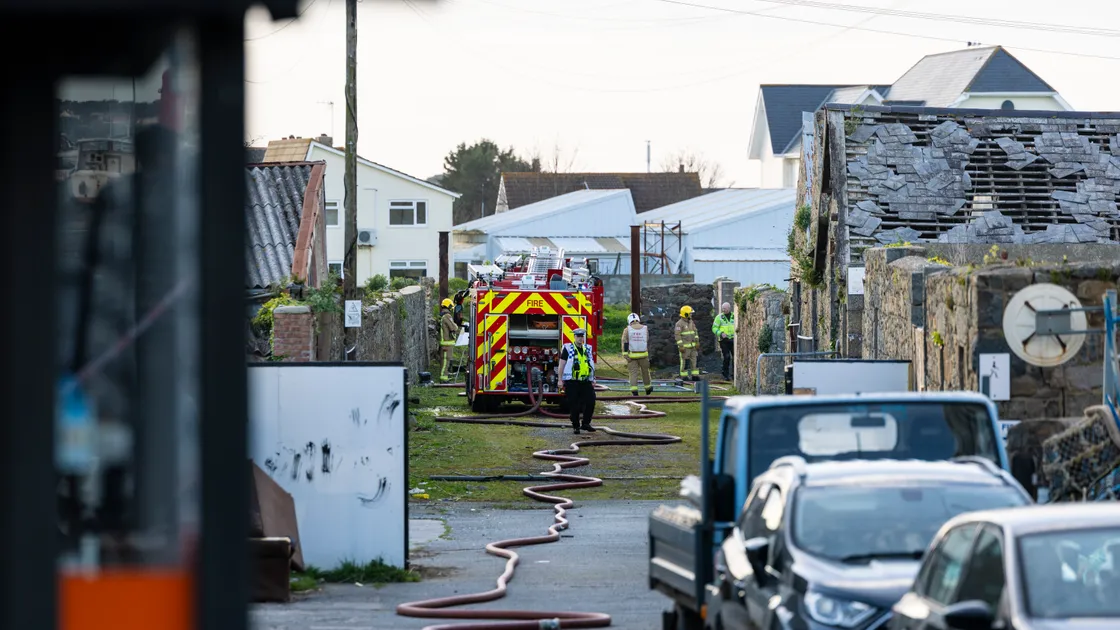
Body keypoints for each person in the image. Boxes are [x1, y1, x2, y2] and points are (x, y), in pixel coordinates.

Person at [558, 328, 596, 434]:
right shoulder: (568, 348)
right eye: (578, 336)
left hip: (585, 381)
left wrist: (593, 379)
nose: (580, 338)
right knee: (574, 405)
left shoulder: (587, 349)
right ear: (574, 337)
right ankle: (576, 426)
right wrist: (560, 379)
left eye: (581, 336)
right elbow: (562, 364)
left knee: (591, 401)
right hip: (572, 381)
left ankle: (586, 423)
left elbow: (591, 365)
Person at [621, 313, 653, 396]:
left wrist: (625, 355)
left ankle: (634, 391)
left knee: (633, 373)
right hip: (643, 355)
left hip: (632, 356)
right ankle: (648, 388)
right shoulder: (645, 328)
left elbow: (624, 342)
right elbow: (647, 339)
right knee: (645, 372)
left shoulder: (627, 329)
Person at [674, 305, 700, 381]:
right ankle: (684, 376)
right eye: (690, 313)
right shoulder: (679, 324)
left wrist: (697, 342)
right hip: (685, 348)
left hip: (693, 347)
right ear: (685, 314)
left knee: (694, 361)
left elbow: (695, 332)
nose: (691, 315)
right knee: (684, 362)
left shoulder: (691, 322)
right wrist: (681, 346)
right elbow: (677, 335)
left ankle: (695, 376)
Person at [712, 302, 735, 380]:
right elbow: (714, 328)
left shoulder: (734, 316)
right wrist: (720, 333)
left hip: (733, 340)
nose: (723, 310)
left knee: (735, 357)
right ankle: (725, 374)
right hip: (723, 340)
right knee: (727, 357)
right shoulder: (719, 317)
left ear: (729, 308)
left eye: (725, 308)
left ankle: (734, 374)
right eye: (722, 308)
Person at [438, 298, 459, 383]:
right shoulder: (447, 316)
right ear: (449, 306)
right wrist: (456, 326)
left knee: (446, 360)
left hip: (445, 342)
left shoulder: (442, 316)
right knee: (445, 361)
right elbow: (453, 327)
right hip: (446, 343)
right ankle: (443, 378)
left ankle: (446, 374)